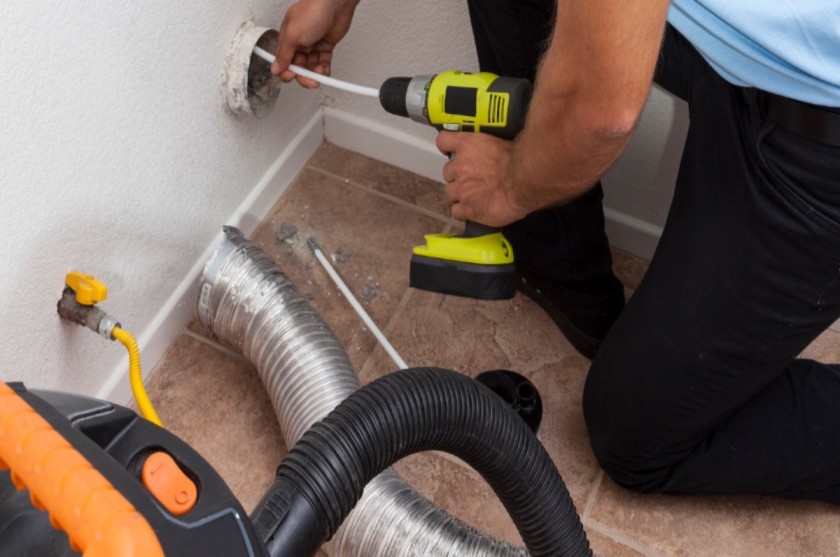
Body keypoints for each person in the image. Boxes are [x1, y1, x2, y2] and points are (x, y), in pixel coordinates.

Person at [272, 0, 840, 504]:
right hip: (751, 50)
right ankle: (565, 275)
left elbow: (603, 112)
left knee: (634, 434)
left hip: (816, 140)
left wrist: (511, 186)